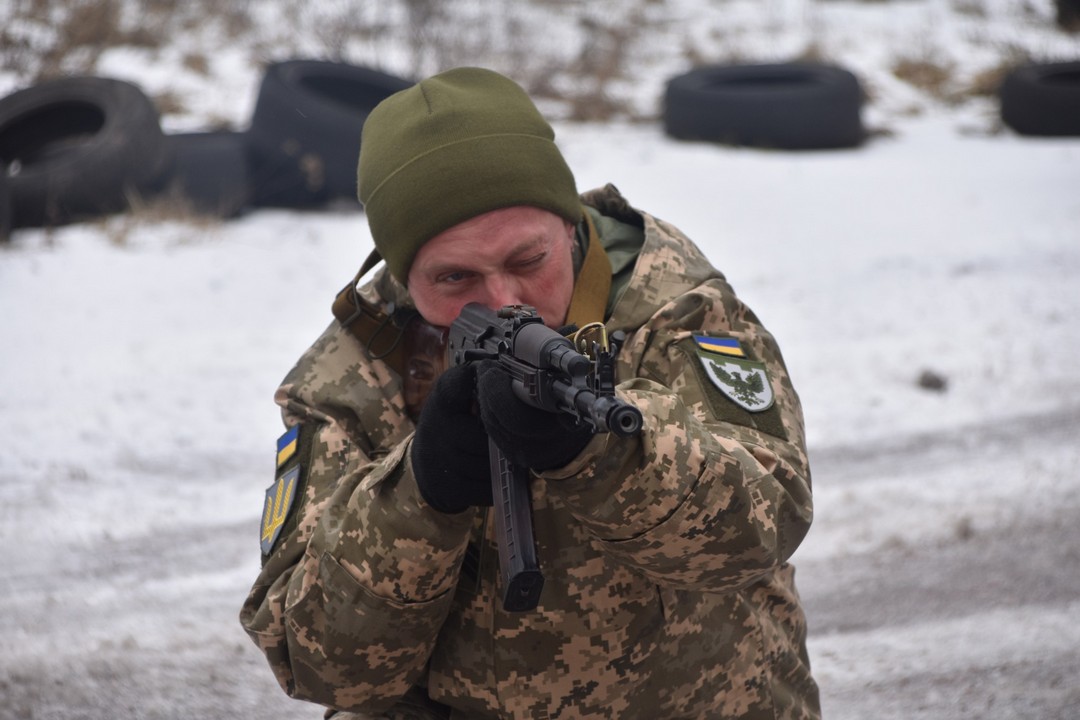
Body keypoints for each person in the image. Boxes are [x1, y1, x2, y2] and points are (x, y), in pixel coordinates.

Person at [240, 66, 820, 720]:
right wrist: (420, 493)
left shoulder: (675, 310)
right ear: (404, 278)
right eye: (455, 278)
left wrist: (602, 455)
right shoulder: (352, 377)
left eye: (527, 261)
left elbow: (765, 523)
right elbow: (317, 663)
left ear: (569, 228)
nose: (503, 300)